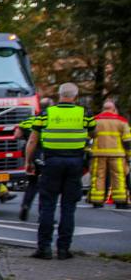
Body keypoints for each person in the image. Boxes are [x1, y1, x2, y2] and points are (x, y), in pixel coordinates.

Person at [23, 83, 94, 260]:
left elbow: (32, 141)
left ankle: (44, 248)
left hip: (51, 162)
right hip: (75, 163)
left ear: (59, 95)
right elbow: (94, 134)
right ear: (76, 96)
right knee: (68, 208)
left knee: (47, 206)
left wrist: (28, 162)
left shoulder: (46, 114)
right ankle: (63, 249)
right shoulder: (84, 114)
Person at [88, 99, 131, 209]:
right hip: (117, 154)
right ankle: (121, 201)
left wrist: (88, 151)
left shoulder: (95, 120)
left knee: (98, 177)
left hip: (98, 154)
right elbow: (127, 140)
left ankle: (97, 201)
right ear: (114, 109)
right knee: (118, 177)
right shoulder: (122, 121)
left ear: (103, 109)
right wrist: (129, 155)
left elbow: (89, 136)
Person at [15, 96, 52, 221]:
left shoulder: (28, 120)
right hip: (43, 153)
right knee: (45, 185)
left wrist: (26, 135)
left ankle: (25, 205)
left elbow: (17, 135)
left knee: (32, 183)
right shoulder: (50, 120)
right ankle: (43, 214)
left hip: (30, 154)